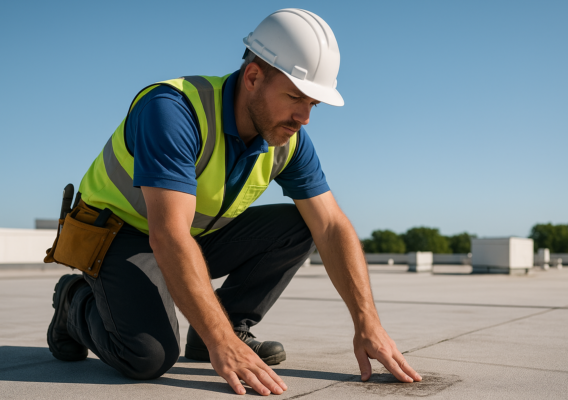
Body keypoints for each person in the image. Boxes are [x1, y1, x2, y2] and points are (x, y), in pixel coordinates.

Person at [47, 8, 422, 396]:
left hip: (190, 234)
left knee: (303, 224)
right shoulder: (173, 111)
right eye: (295, 97)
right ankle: (72, 301)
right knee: (147, 357)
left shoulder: (287, 138)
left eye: (314, 104)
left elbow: (330, 225)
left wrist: (367, 322)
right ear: (253, 77)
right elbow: (169, 235)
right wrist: (220, 344)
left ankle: (230, 326)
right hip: (120, 236)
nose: (304, 118)